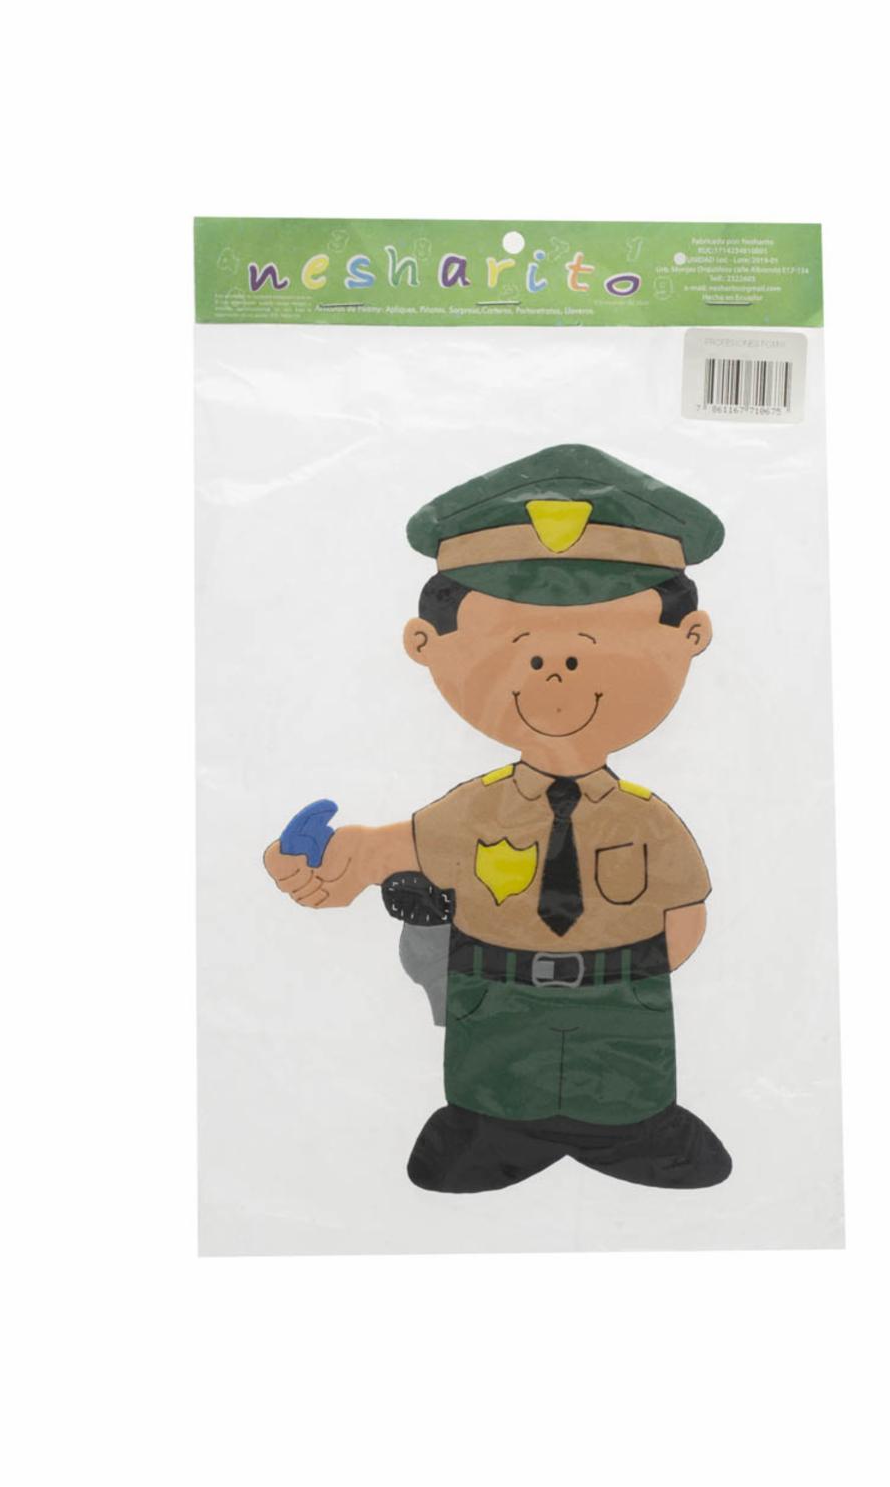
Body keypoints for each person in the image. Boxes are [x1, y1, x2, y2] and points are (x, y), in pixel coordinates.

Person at [264, 443, 732, 1192]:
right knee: (487, 1112)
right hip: (500, 1006)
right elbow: (384, 852)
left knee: (633, 1106)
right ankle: (496, 1126)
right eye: (521, 649)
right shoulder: (472, 808)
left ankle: (633, 1126)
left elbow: (685, 916)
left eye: (594, 647)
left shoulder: (650, 820)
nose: (557, 671)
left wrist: (630, 973)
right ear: (427, 646)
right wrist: (329, 863)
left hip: (621, 1012)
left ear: (691, 638)